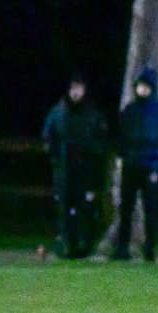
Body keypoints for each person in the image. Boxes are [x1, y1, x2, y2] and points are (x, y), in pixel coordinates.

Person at [41, 72, 109, 259]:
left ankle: (85, 245)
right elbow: (48, 135)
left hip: (85, 170)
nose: (76, 92)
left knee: (85, 208)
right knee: (65, 208)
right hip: (64, 169)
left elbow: (101, 140)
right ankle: (67, 245)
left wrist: (93, 155)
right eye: (73, 88)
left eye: (79, 88)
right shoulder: (58, 112)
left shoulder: (93, 114)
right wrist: (55, 156)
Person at [114, 66, 158, 262]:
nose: (142, 89)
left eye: (146, 86)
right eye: (140, 86)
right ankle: (122, 249)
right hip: (130, 164)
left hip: (150, 166)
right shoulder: (130, 110)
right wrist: (121, 155)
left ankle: (150, 249)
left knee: (150, 209)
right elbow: (120, 135)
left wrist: (157, 156)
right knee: (126, 208)